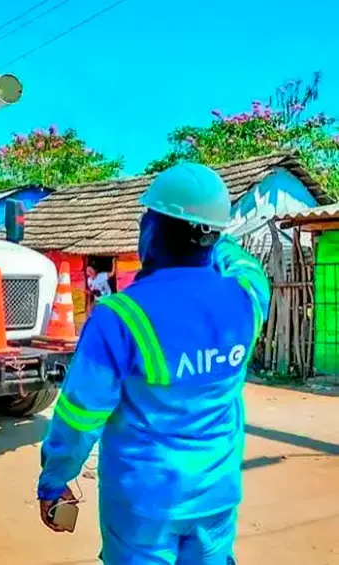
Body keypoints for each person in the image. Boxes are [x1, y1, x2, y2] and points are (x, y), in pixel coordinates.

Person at [36, 162, 271, 564]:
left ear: (153, 228)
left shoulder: (119, 317)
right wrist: (212, 237)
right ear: (212, 237)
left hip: (143, 504)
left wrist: (55, 479)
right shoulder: (246, 300)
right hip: (215, 497)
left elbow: (78, 417)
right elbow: (246, 266)